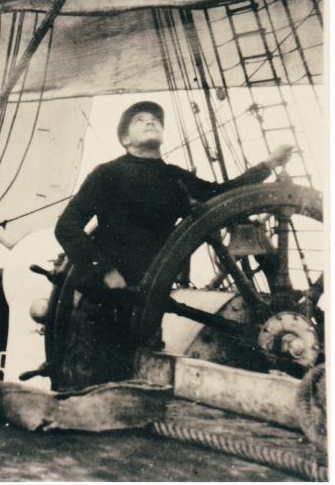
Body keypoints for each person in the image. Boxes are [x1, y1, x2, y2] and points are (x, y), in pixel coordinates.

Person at [54, 100, 293, 388]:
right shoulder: (107, 174)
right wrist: (105, 271)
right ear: (125, 139)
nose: (150, 121)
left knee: (136, 385)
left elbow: (224, 195)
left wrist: (269, 164)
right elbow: (66, 227)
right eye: (140, 119)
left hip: (149, 297)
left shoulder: (174, 178)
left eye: (156, 119)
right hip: (104, 298)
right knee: (96, 385)